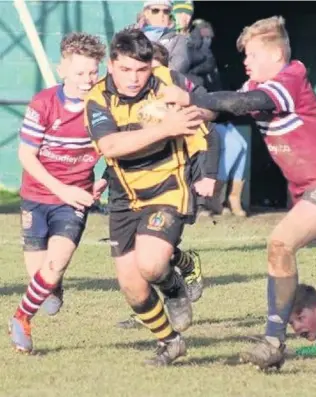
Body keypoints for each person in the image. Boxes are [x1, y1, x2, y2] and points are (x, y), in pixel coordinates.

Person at [160, 16, 316, 370]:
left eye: (253, 55)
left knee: (280, 242)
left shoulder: (288, 78)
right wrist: (183, 104)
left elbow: (245, 102)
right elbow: (223, 107)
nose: (246, 61)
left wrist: (190, 94)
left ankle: (274, 341)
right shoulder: (259, 84)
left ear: (275, 55)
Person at [84, 29, 216, 366]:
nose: (133, 78)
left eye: (141, 70)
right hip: (124, 195)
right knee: (132, 286)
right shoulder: (98, 99)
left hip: (168, 188)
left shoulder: (167, 80)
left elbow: (209, 109)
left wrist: (195, 109)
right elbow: (110, 146)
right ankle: (170, 342)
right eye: (125, 70)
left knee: (151, 264)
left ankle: (173, 287)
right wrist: (164, 128)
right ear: (111, 65)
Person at [9, 32, 107, 353]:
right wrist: (60, 188)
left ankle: (21, 318)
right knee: (42, 275)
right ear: (61, 70)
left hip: (74, 200)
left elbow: (120, 149)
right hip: (37, 196)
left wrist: (104, 179)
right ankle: (53, 284)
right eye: (79, 73)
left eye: (93, 72)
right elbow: (26, 156)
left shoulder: (105, 105)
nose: (87, 80)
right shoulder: (44, 103)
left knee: (53, 265)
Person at [115, 39, 219, 330]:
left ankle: (180, 271)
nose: (140, 79)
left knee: (156, 247)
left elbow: (211, 132)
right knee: (142, 250)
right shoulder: (129, 101)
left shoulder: (174, 96)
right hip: (139, 186)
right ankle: (176, 273)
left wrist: (209, 175)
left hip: (183, 173)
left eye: (147, 70)